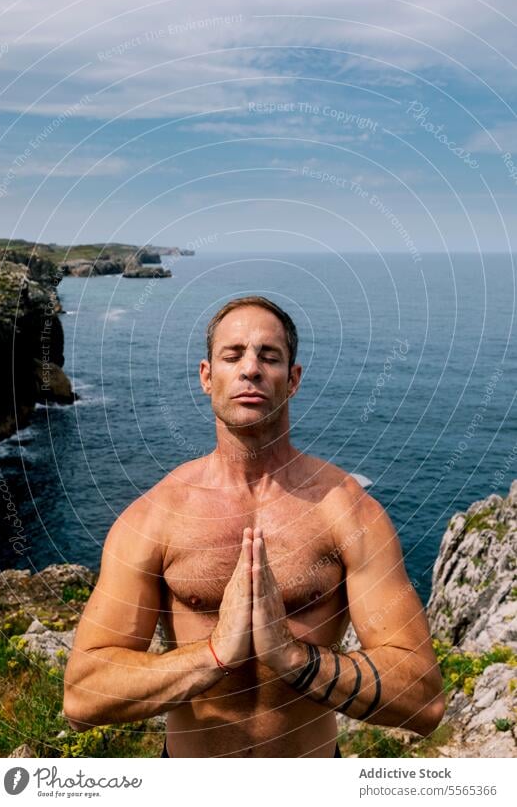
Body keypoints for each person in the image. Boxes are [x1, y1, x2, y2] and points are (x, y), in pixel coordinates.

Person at [63, 295, 445, 757]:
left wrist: (291, 658)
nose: (250, 369)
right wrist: (215, 654)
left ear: (293, 380)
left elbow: (423, 699)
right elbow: (83, 695)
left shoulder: (348, 513)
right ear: (207, 377)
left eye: (269, 356)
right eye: (233, 355)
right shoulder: (155, 517)